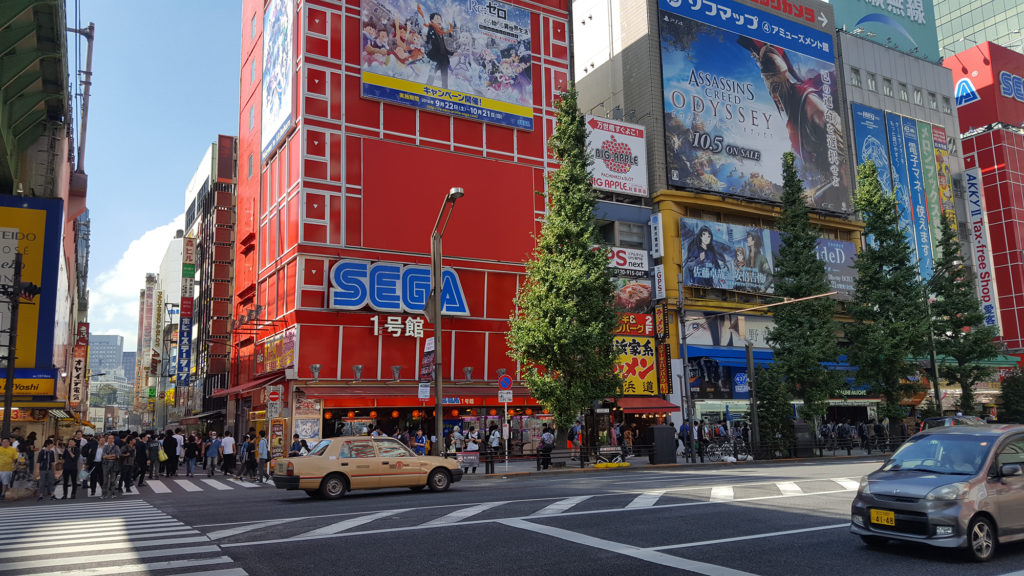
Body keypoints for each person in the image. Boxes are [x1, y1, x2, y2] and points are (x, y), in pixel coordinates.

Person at [424, 12, 454, 89]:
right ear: (432, 21)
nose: (439, 20)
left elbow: (443, 47)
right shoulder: (431, 29)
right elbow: (432, 43)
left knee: (444, 79)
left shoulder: (440, 32)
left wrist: (452, 53)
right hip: (435, 58)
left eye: (440, 19)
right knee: (431, 77)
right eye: (437, 18)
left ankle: (445, 93)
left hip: (443, 59)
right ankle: (426, 91)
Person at [100, 434, 120, 499]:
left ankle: (113, 493)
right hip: (105, 464)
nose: (110, 440)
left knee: (112, 480)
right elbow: (103, 456)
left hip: (114, 465)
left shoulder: (116, 447)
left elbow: (118, 456)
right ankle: (104, 494)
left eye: (112, 438)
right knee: (105, 480)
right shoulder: (105, 447)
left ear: (113, 439)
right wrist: (112, 456)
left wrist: (108, 456)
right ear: (107, 439)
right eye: (109, 438)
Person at [0, 437, 17, 501]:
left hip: (7, 469)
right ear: (1, 443)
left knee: (5, 482)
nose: (5, 443)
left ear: (9, 443)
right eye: (3, 442)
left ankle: (3, 494)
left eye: (6, 442)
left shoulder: (13, 449)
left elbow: (15, 458)